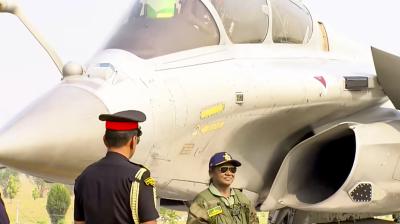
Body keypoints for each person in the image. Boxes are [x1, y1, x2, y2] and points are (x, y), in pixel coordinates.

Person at [74, 110, 159, 224]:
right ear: (133, 141)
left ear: (104, 140)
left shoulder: (84, 177)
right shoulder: (138, 178)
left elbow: (79, 222)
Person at [187, 152, 259, 224]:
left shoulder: (242, 198)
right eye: (223, 169)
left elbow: (254, 221)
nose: (229, 173)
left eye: (232, 169)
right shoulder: (202, 201)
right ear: (211, 173)